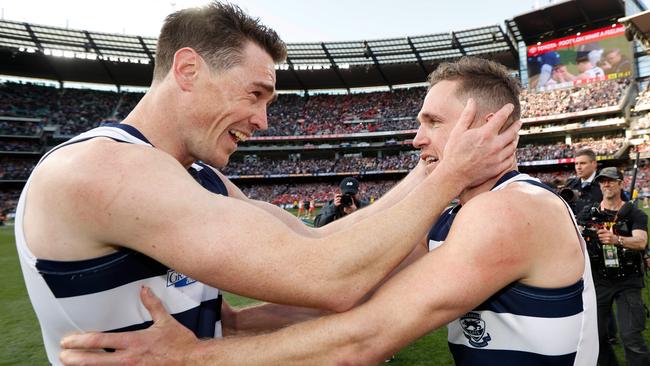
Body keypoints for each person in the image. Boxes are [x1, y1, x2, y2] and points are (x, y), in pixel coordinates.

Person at [17, 3, 520, 365]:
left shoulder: (199, 179)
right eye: (255, 94)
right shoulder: (101, 168)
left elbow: (322, 243)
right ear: (188, 69)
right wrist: (451, 175)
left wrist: (432, 165)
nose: (262, 120)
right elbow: (330, 277)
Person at [59, 57, 597, 366]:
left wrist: (191, 358)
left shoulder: (511, 212)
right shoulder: (453, 215)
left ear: (487, 129)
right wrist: (234, 326)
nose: (415, 139)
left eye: (433, 122)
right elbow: (353, 294)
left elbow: (365, 337)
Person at [579, 167, 650, 366]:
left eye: (610, 180)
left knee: (631, 338)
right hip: (599, 280)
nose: (606, 184)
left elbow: (640, 242)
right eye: (602, 181)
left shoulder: (634, 213)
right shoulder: (590, 212)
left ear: (621, 183)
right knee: (596, 338)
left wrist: (616, 239)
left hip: (628, 280)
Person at [564, 148, 603, 216]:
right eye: (576, 164)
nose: (578, 167)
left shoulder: (605, 184)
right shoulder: (570, 185)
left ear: (594, 164)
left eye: (583, 163)